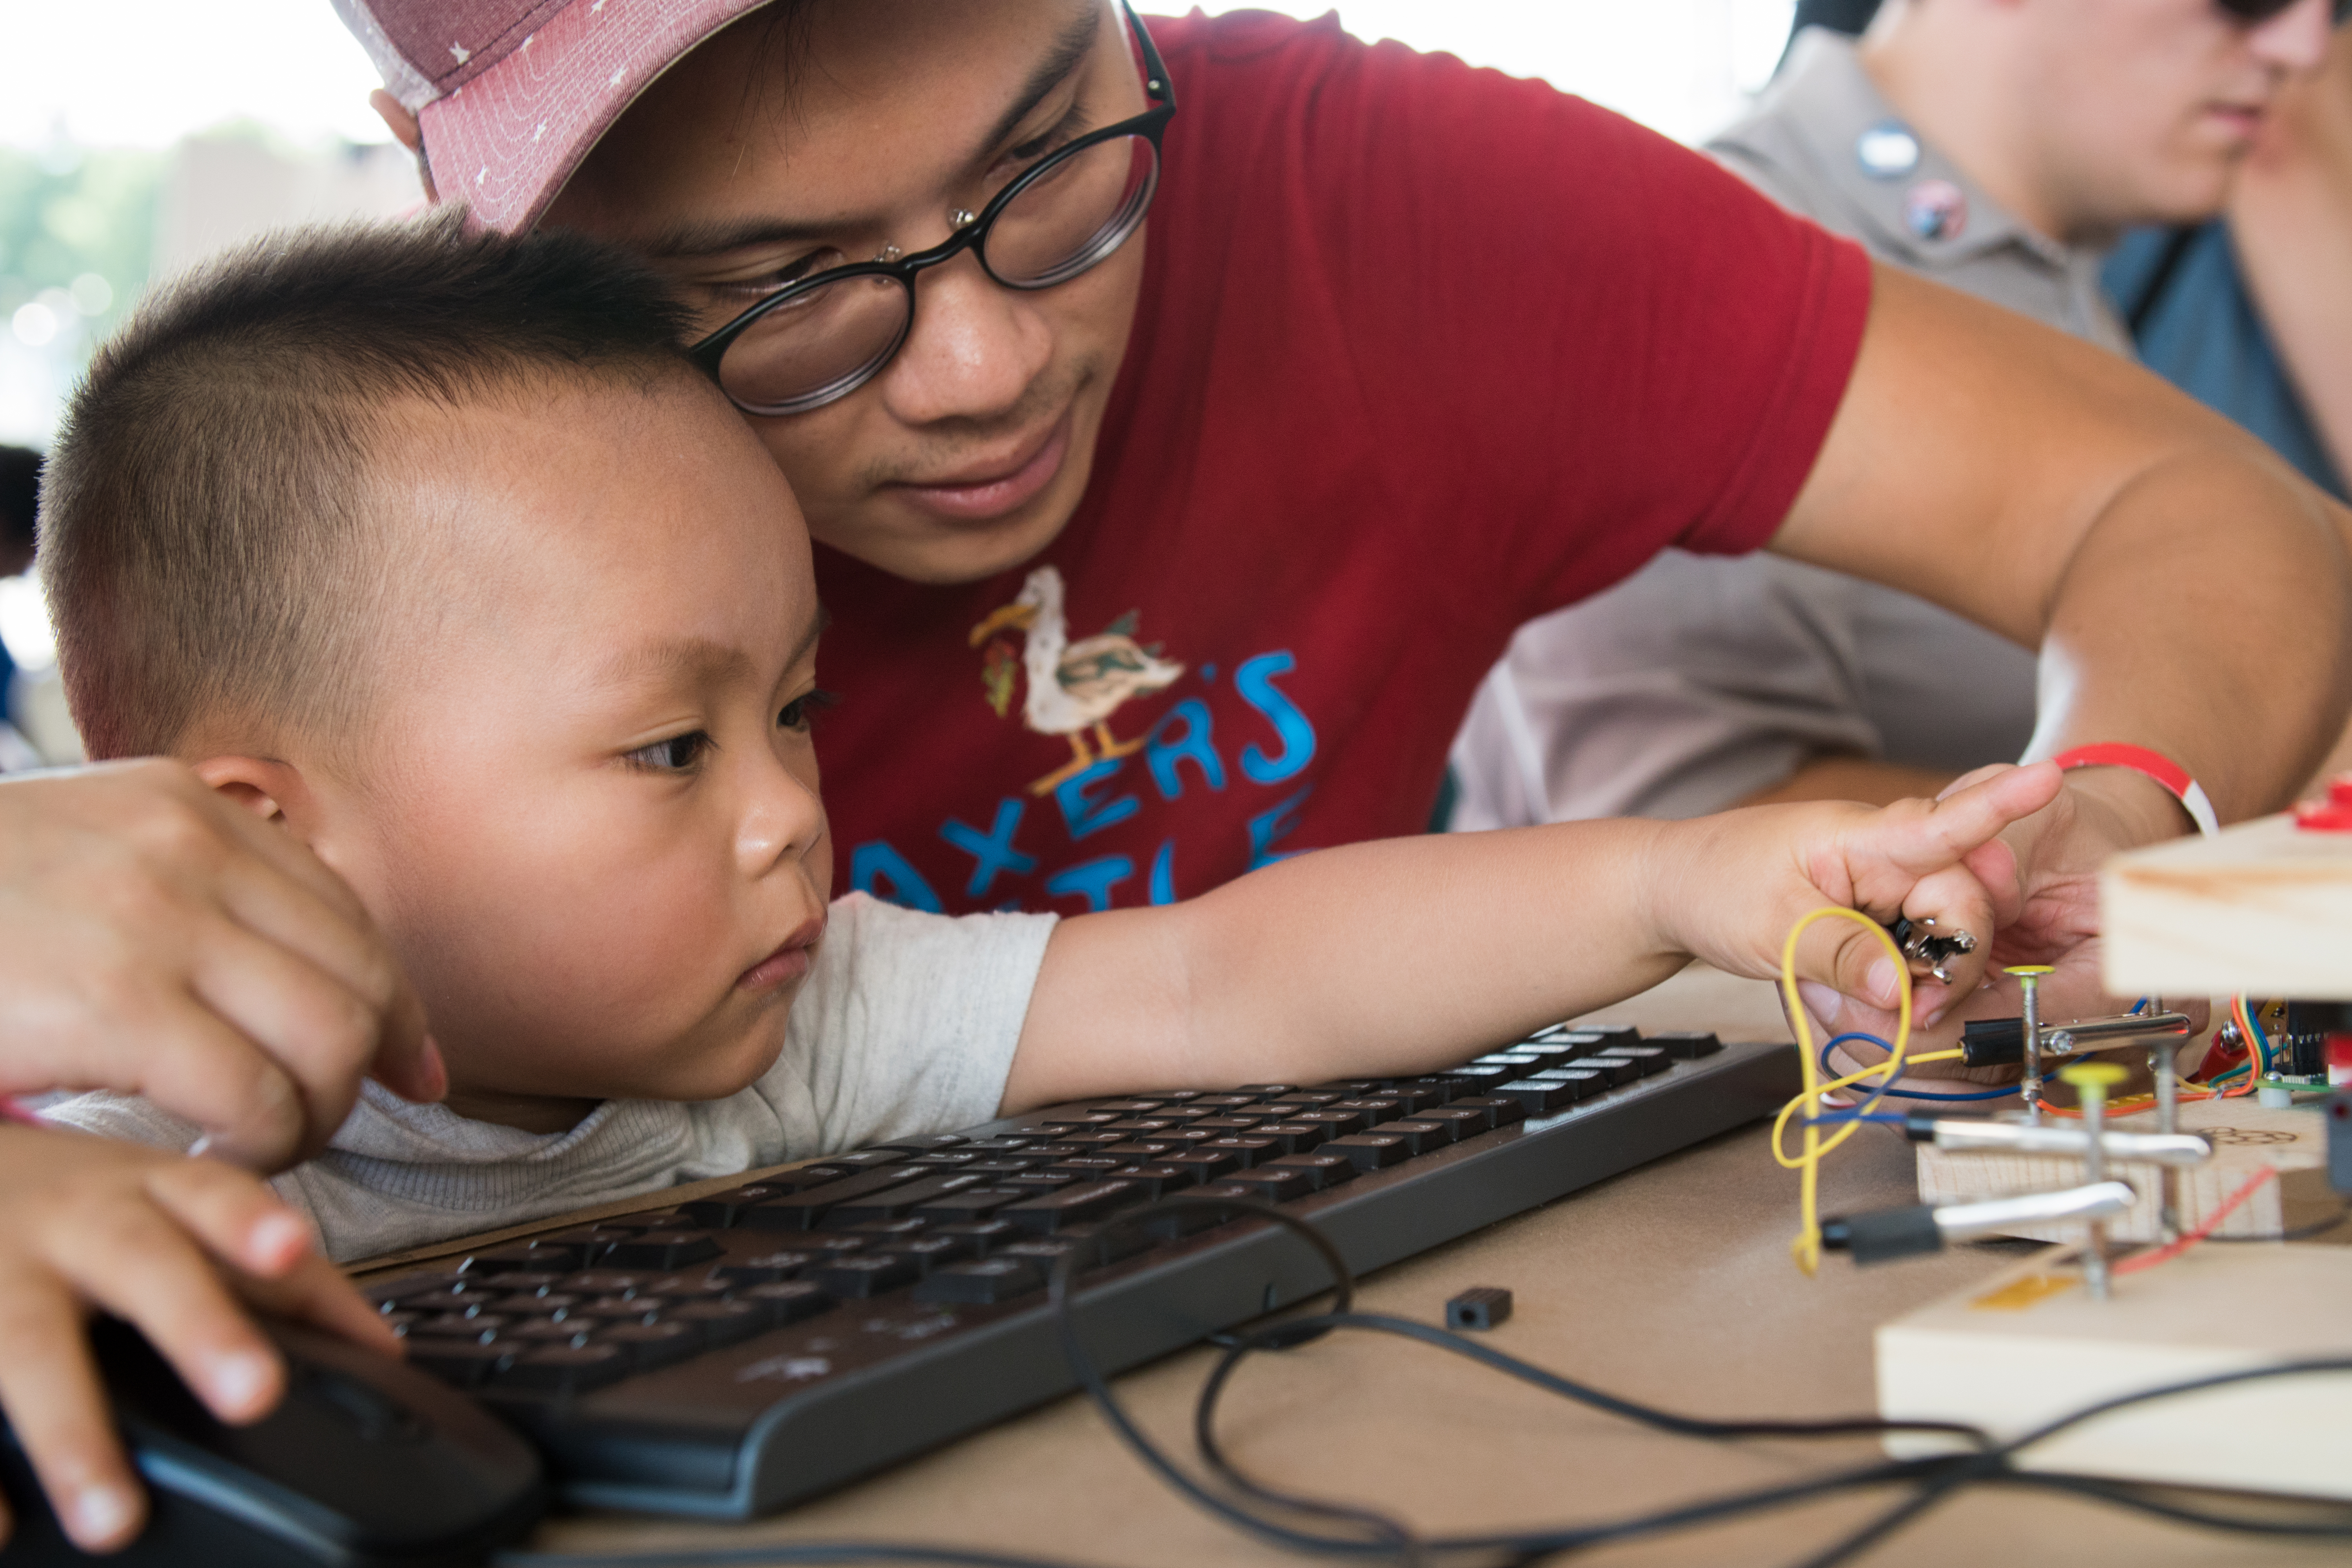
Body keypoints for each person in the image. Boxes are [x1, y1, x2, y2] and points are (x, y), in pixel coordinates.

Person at [0, 0, 2342, 1195]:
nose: (989, 363)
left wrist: (1846, 861)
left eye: (1054, 164)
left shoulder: (833, 1004)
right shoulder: (388, 540)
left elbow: (1218, 976)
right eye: (781, 295)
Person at [0, 216, 2063, 1555]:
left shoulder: (790, 1029)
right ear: (263, 836)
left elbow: (1214, 986)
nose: (791, 814)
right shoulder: (119, 1184)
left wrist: (1683, 881)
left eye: (794, 710)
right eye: (667, 748)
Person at [1449, 0, 2344, 842]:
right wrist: (2204, 829)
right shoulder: (1713, 260)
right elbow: (1677, 830)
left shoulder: (2052, 277)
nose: (2303, 46)